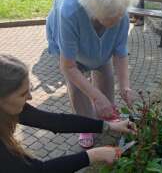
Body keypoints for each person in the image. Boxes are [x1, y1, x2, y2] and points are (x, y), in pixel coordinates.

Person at [46, 0, 139, 148]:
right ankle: (86, 125)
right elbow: (69, 67)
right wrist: (96, 97)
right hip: (71, 50)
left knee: (105, 73)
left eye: (121, 13)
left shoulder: (120, 10)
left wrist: (126, 86)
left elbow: (120, 52)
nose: (119, 19)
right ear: (95, 11)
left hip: (98, 46)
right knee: (78, 85)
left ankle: (107, 117)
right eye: (113, 16)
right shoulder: (70, 11)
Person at [0, 54, 136, 173]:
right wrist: (93, 155)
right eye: (23, 93)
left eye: (29, 89)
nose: (30, 97)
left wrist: (109, 126)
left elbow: (56, 122)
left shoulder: (10, 107)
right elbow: (37, 171)